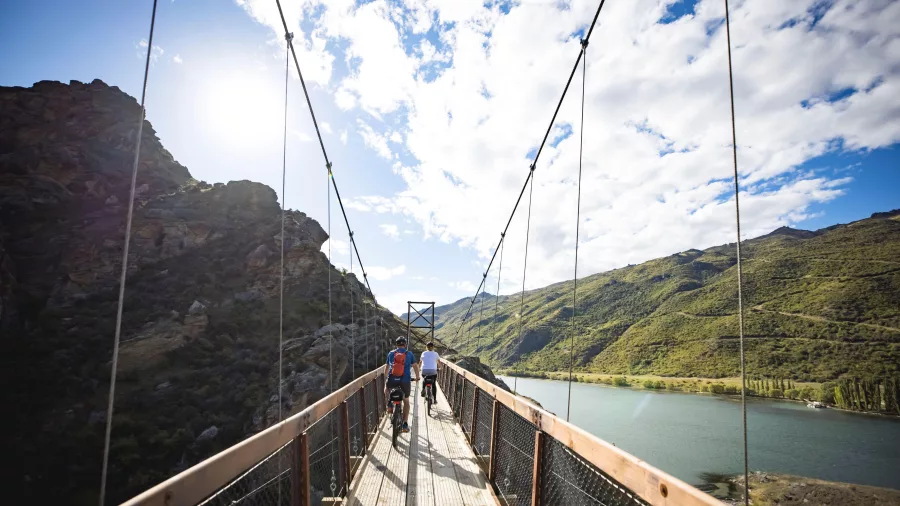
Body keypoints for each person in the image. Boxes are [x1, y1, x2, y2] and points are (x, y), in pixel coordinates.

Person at [384, 336, 420, 433]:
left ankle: (389, 404)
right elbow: (415, 367)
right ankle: (404, 423)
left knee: (386, 389)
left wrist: (386, 377)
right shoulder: (409, 354)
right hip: (405, 380)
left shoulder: (391, 353)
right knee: (406, 401)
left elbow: (387, 367)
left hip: (392, 379)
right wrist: (417, 377)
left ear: (396, 344)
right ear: (405, 344)